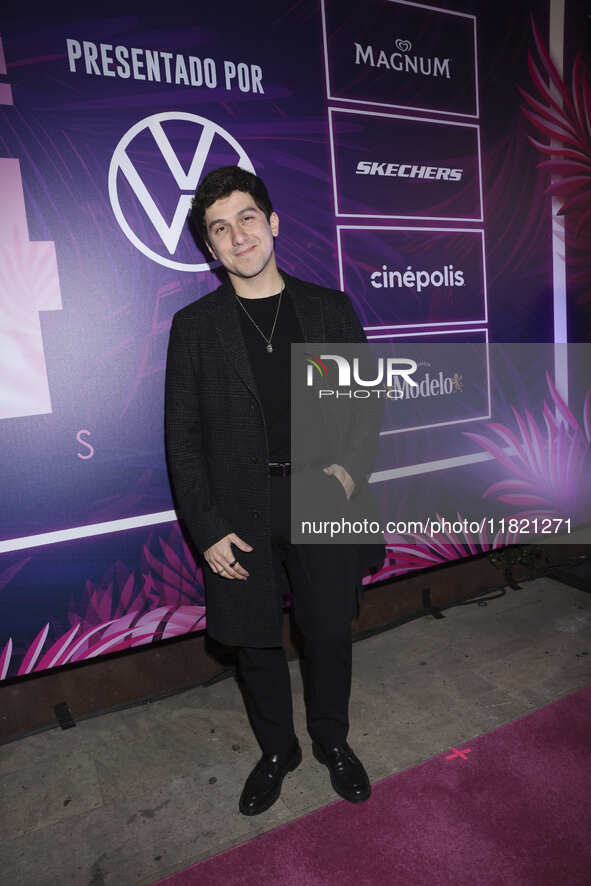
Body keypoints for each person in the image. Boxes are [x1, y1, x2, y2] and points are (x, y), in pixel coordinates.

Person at [165, 166, 385, 815]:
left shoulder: (328, 309)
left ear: (273, 223)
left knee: (326, 633)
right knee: (254, 640)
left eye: (247, 219)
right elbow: (183, 439)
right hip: (238, 512)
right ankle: (276, 750)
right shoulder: (195, 328)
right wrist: (205, 530)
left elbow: (364, 405)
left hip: (322, 497)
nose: (237, 237)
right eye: (220, 229)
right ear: (209, 249)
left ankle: (330, 741)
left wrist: (346, 474)